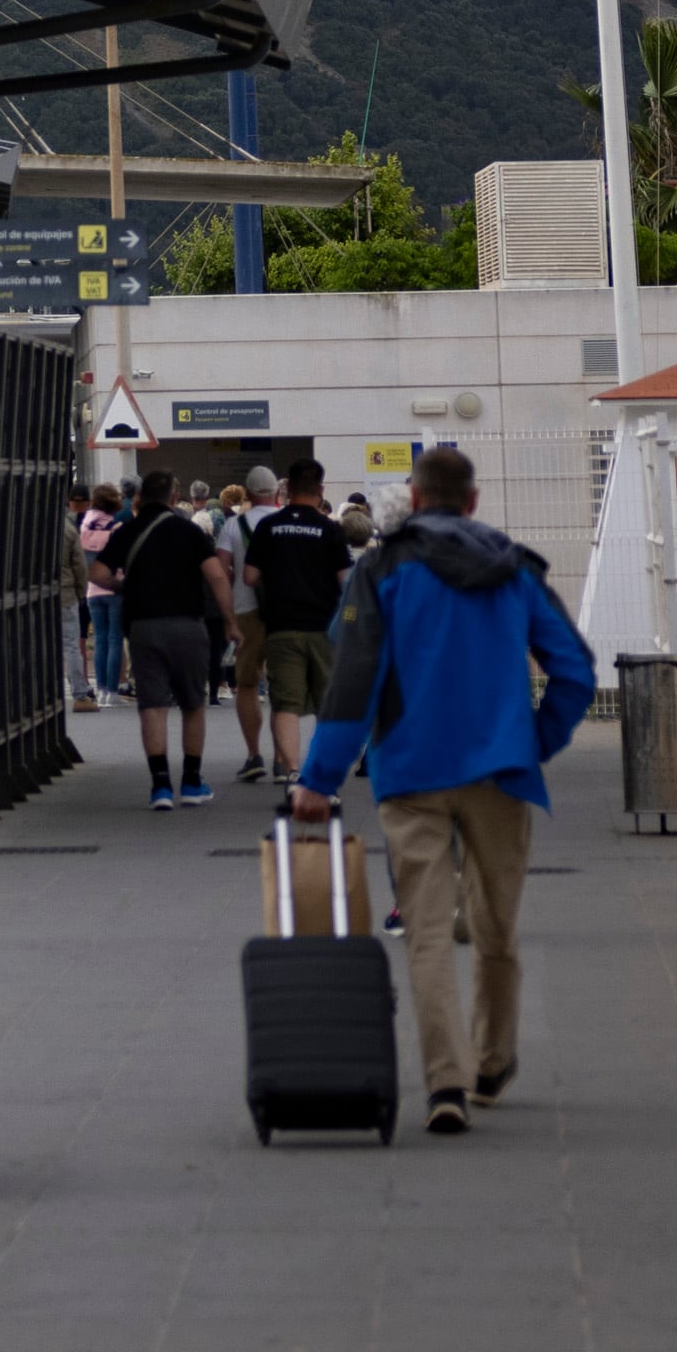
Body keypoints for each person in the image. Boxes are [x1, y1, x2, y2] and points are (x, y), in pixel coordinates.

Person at [295, 445, 595, 1135]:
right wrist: (533, 740)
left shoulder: (381, 568)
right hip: (500, 774)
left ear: (414, 496)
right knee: (495, 928)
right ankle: (493, 1061)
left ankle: (446, 1083)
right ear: (474, 501)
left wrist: (319, 778)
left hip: (410, 775)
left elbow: (353, 681)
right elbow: (575, 671)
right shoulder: (515, 570)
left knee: (426, 933)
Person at [95, 469, 233, 808]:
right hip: (188, 625)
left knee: (153, 706)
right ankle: (191, 782)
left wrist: (122, 586)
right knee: (192, 704)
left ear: (143, 497)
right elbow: (216, 576)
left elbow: (97, 573)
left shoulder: (129, 531)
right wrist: (231, 621)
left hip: (143, 626)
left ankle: (160, 787)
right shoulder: (190, 531)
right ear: (174, 497)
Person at [239, 457, 352, 781]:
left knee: (286, 704)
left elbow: (249, 576)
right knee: (327, 706)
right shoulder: (330, 529)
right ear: (320, 490)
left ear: (287, 488)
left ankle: (291, 771)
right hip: (323, 629)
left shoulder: (268, 527)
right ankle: (323, 774)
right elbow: (347, 581)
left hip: (281, 628)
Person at [215, 467, 276, 781]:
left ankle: (254, 754)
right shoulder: (285, 522)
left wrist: (227, 616)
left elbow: (221, 571)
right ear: (276, 492)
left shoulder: (232, 526)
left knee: (247, 686)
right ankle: (285, 759)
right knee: (283, 686)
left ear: (248, 494)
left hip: (245, 611)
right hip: (283, 614)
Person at [75, 484, 127, 706]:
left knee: (100, 640)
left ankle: (102, 690)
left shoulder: (85, 523)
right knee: (115, 639)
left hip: (92, 589)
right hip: (114, 586)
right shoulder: (116, 527)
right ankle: (112, 692)